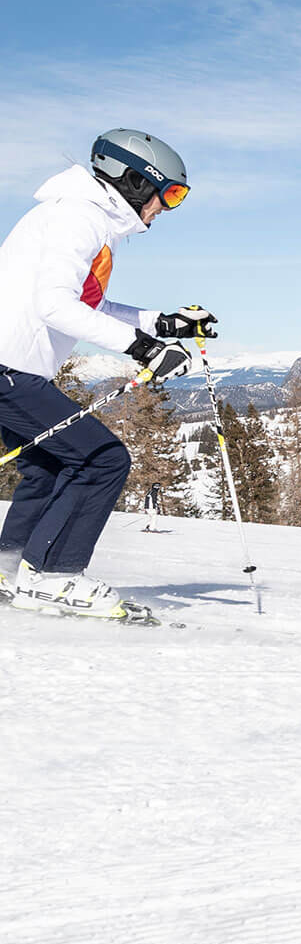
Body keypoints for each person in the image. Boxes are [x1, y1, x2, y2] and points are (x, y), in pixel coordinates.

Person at [0, 131, 208, 619]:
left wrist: (163, 323)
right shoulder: (78, 216)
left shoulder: (80, 215)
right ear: (135, 181)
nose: (168, 209)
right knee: (102, 460)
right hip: (10, 368)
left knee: (51, 465)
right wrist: (142, 349)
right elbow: (54, 305)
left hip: (12, 368)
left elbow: (90, 304)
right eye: (171, 194)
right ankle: (54, 577)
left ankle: (8, 568)